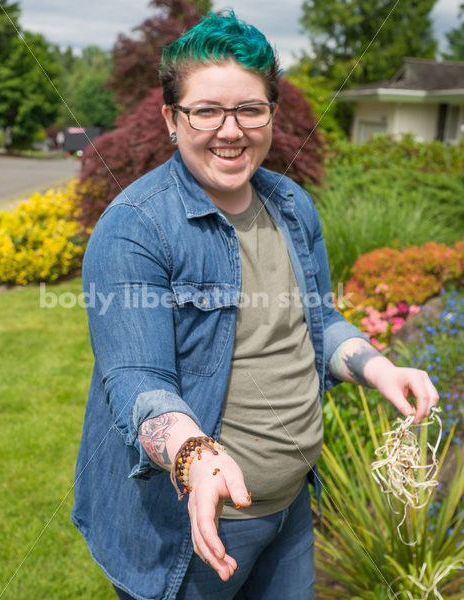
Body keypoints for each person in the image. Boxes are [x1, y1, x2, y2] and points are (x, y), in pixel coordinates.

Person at [71, 11, 438, 600]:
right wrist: (195, 455)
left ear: (271, 114)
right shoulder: (135, 229)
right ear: (172, 118)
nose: (231, 130)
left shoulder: (290, 203)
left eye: (249, 109)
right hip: (194, 525)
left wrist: (378, 368)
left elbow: (315, 322)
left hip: (292, 508)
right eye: (206, 110)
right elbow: (137, 380)